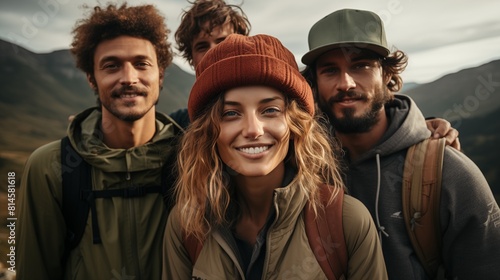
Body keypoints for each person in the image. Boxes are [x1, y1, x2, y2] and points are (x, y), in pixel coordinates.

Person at [162, 33, 388, 279]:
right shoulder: (187, 224)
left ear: (295, 124)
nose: (253, 130)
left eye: (270, 110)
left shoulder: (345, 222)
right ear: (207, 131)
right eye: (230, 113)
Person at [301, 8, 500, 279]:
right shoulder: (304, 169)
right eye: (330, 70)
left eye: (361, 66)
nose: (345, 83)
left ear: (386, 74)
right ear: (314, 83)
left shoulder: (448, 173)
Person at [16, 4, 179, 279]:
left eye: (142, 64)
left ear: (160, 74)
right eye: (111, 66)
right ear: (92, 78)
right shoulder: (49, 168)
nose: (128, 78)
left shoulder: (193, 159)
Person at [169, 0, 251, 129]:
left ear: (242, 48)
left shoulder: (275, 110)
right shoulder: (175, 126)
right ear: (191, 58)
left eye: (223, 42)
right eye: (202, 46)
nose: (212, 52)